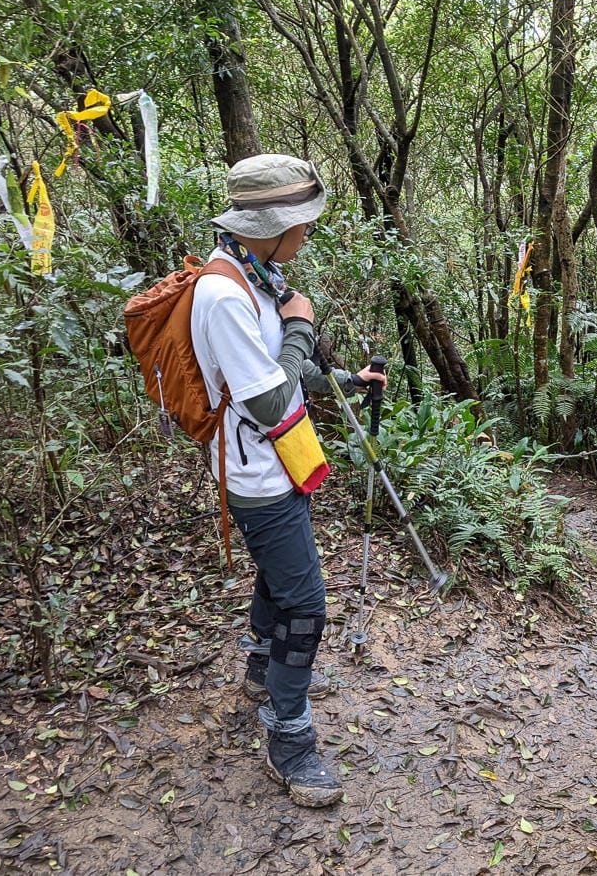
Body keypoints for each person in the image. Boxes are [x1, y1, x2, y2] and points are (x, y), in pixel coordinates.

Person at [190, 153, 386, 807]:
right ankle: (289, 742)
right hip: (257, 474)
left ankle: (258, 672)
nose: (307, 234)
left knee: (280, 579)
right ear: (267, 224)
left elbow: (279, 371)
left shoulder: (259, 275)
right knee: (306, 608)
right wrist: (303, 323)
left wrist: (349, 381)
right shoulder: (223, 295)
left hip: (282, 461)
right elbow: (269, 401)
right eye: (300, 223)